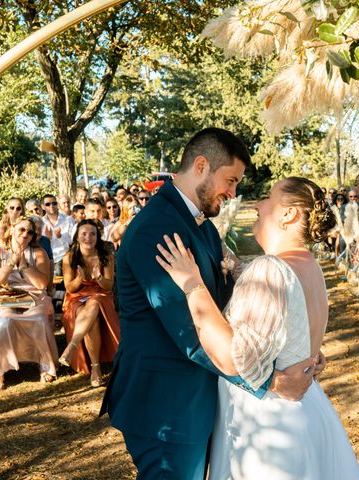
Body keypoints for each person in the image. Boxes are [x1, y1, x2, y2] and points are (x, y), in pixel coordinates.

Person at [100, 128, 318, 479]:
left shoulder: (201, 225)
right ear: (201, 165)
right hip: (165, 405)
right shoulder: (158, 229)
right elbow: (191, 331)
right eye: (230, 180)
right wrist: (269, 383)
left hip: (197, 398)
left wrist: (292, 346)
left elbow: (226, 305)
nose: (233, 194)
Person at [156, 177, 359, 479]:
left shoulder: (270, 270)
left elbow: (236, 358)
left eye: (268, 197)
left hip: (266, 426)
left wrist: (192, 284)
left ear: (288, 214)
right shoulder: (310, 266)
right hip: (307, 410)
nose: (257, 204)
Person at [0, 217, 57, 392]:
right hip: (6, 299)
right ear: (12, 229)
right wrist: (10, 263)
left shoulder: (39, 253)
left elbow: (42, 284)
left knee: (39, 318)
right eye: (21, 230)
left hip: (35, 298)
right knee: (4, 322)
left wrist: (24, 265)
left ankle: (45, 364)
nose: (25, 234)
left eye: (30, 232)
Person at [59, 220, 119, 387]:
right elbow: (69, 287)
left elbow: (108, 285)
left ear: (97, 236)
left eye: (92, 233)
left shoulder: (106, 255)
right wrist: (79, 278)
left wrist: (98, 277)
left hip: (101, 294)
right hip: (76, 297)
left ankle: (72, 346)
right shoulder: (70, 257)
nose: (88, 237)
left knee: (94, 303)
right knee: (92, 322)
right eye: (84, 234)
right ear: (77, 236)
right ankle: (95, 368)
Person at [41, 194, 73, 276]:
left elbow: (71, 243)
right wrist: (48, 240)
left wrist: (60, 237)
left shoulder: (68, 220)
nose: (51, 206)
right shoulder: (40, 223)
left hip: (63, 258)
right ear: (43, 206)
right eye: (48, 204)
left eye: (54, 203)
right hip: (45, 259)